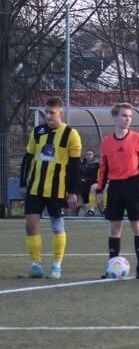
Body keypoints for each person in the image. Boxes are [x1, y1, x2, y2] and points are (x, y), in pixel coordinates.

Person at [20, 97, 82, 279]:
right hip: (35, 187)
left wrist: (72, 192)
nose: (48, 116)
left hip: (58, 189)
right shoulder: (38, 132)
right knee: (30, 224)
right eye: (46, 112)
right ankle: (36, 264)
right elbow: (28, 158)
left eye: (52, 112)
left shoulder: (71, 134)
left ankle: (56, 266)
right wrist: (24, 183)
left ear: (60, 113)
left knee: (56, 226)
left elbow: (75, 167)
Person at [97, 103, 139, 278]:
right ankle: (112, 267)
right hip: (114, 187)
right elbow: (103, 168)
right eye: (124, 115)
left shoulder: (137, 138)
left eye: (129, 116)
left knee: (137, 224)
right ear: (115, 117)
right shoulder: (107, 141)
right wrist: (99, 189)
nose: (127, 119)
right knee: (115, 226)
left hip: (133, 185)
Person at [76, 149, 99, 216]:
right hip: (83, 181)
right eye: (87, 154)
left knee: (88, 186)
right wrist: (82, 178)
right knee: (78, 185)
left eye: (90, 154)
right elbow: (79, 173)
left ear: (93, 155)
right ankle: (81, 202)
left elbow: (94, 175)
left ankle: (85, 205)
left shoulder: (96, 164)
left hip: (92, 181)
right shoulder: (82, 164)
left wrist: (86, 179)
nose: (89, 156)